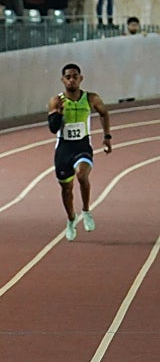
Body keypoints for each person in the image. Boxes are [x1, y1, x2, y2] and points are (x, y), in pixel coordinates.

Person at [47, 63, 112, 242]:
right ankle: (71, 219)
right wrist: (58, 113)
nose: (72, 80)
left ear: (80, 78)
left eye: (75, 76)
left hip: (82, 146)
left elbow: (104, 113)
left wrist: (107, 136)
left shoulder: (91, 98)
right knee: (66, 189)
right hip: (63, 149)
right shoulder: (56, 101)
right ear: (63, 80)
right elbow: (53, 129)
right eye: (68, 77)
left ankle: (86, 210)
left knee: (82, 175)